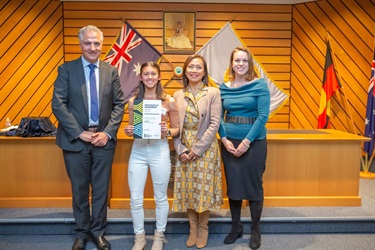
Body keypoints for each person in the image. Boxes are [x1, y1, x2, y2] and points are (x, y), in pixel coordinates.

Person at [52, 25, 125, 250]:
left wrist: (107, 133)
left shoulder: (111, 71)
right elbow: (58, 104)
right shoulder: (66, 70)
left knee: (101, 190)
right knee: (80, 189)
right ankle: (82, 233)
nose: (92, 48)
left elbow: (119, 104)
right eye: (88, 43)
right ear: (80, 44)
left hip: (103, 141)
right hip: (75, 141)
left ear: (102, 45)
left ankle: (98, 232)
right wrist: (79, 132)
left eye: (97, 43)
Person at [218, 46, 270, 250]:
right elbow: (218, 117)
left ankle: (255, 229)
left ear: (250, 64)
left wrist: (246, 142)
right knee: (234, 185)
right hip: (229, 143)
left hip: (254, 143)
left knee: (254, 186)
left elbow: (262, 117)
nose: (240, 64)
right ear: (231, 63)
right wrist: (223, 139)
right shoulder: (223, 87)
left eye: (244, 61)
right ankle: (236, 227)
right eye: (237, 60)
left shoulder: (259, 85)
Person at [124, 62, 179, 250]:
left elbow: (176, 129)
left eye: (153, 74)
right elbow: (131, 129)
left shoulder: (168, 100)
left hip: (160, 151)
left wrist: (168, 130)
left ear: (159, 76)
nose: (149, 77)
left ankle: (158, 235)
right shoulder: (133, 102)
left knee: (160, 197)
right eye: (146, 74)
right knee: (135, 198)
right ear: (140, 77)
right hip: (138, 151)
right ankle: (139, 237)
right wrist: (128, 130)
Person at [172, 54, 223, 249]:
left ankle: (203, 229)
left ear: (204, 72)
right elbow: (175, 126)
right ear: (185, 70)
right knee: (189, 189)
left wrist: (198, 149)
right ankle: (192, 228)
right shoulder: (177, 95)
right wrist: (181, 149)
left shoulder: (213, 92)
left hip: (205, 148)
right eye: (190, 67)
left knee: (203, 190)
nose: (194, 70)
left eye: (198, 67)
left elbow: (214, 123)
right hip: (184, 147)